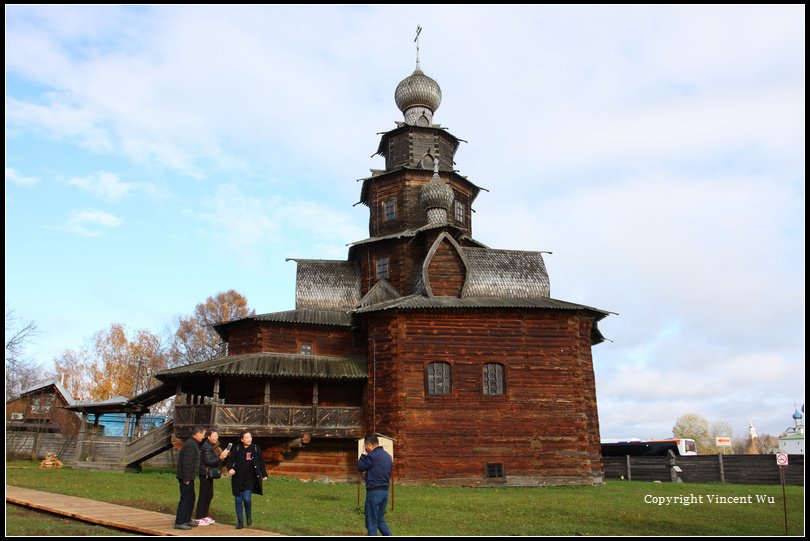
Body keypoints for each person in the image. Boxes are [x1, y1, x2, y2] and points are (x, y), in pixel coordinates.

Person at [226, 430, 267, 529]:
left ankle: (248, 514)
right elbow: (230, 461)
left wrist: (264, 474)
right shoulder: (237, 448)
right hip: (238, 479)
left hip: (250, 479)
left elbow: (261, 462)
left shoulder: (256, 448)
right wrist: (230, 469)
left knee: (247, 499)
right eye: (247, 437)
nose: (249, 439)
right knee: (238, 500)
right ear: (242, 439)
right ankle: (240, 521)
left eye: (250, 437)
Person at [357, 433, 393, 536]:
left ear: (369, 444)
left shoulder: (371, 456)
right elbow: (384, 472)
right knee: (380, 520)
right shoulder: (388, 456)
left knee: (371, 523)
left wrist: (363, 454)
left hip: (374, 493)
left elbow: (360, 467)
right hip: (385, 492)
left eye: (365, 446)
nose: (365, 448)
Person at [194, 427, 230, 526]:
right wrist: (220, 457)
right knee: (203, 495)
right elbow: (208, 461)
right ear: (209, 437)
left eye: (217, 436)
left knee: (209, 495)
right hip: (205, 474)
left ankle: (204, 516)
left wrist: (222, 457)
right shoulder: (206, 446)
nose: (216, 437)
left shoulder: (210, 446)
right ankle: (198, 518)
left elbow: (214, 460)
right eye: (214, 436)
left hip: (208, 474)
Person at [174, 425, 205, 530]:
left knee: (191, 498)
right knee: (185, 499)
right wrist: (186, 478)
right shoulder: (191, 444)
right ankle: (179, 522)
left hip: (190, 477)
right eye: (203, 435)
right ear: (197, 434)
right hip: (185, 478)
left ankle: (187, 519)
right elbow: (187, 463)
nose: (203, 437)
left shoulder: (193, 443)